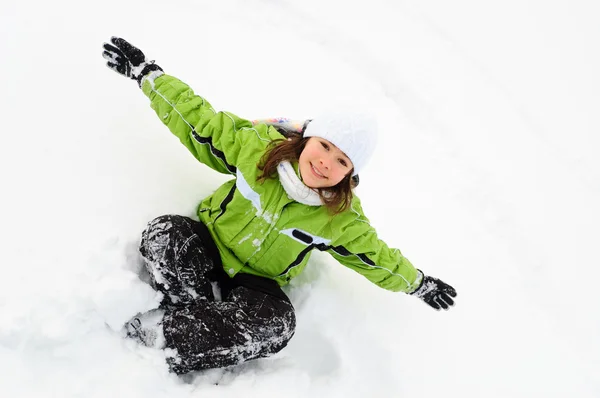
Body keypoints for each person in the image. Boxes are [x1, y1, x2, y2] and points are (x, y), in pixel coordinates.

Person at [101, 37, 457, 375]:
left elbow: (375, 257)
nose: (325, 163)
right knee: (166, 234)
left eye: (343, 161)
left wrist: (418, 283)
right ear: (306, 139)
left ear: (349, 175)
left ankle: (166, 338)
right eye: (325, 146)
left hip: (257, 282)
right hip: (207, 246)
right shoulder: (256, 149)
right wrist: (149, 76)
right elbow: (199, 122)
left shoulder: (339, 219)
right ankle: (194, 306)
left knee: (277, 326)